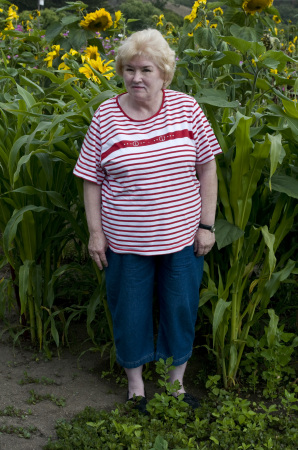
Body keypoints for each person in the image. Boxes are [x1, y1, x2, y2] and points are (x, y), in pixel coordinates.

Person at [73, 28, 222, 412]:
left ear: (164, 75)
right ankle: (136, 388)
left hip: (183, 238)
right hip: (125, 241)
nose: (136, 77)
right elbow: (91, 178)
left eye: (146, 70)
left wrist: (207, 226)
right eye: (129, 69)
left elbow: (207, 168)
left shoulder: (188, 109)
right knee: (130, 310)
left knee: (180, 308)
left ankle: (176, 385)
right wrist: (95, 234)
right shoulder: (106, 114)